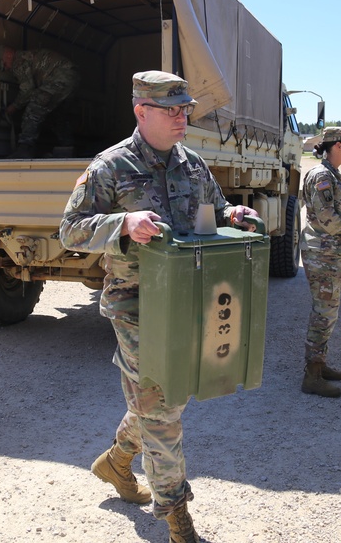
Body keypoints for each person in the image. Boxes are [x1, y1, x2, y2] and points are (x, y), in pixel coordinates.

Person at [59, 70, 259, 543]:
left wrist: (233, 214)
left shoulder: (192, 163)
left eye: (185, 108)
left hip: (189, 300)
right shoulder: (110, 166)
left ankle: (116, 461)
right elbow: (69, 230)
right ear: (140, 112)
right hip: (136, 305)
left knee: (164, 397)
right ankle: (175, 514)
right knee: (162, 407)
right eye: (171, 110)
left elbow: (213, 208)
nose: (181, 117)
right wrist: (123, 222)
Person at [300, 127, 341, 398]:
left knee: (329, 311)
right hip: (322, 253)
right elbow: (325, 217)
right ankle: (312, 375)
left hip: (332, 252)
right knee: (324, 311)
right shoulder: (322, 175)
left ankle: (320, 364)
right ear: (337, 145)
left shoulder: (334, 174)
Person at [0, 46, 79, 157]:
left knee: (33, 109)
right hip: (73, 78)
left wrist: (13, 107)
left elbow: (27, 90)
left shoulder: (19, 61)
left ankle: (25, 148)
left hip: (60, 78)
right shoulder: (28, 56)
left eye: (4, 64)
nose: (6, 68)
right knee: (57, 114)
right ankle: (68, 148)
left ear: (9, 54)